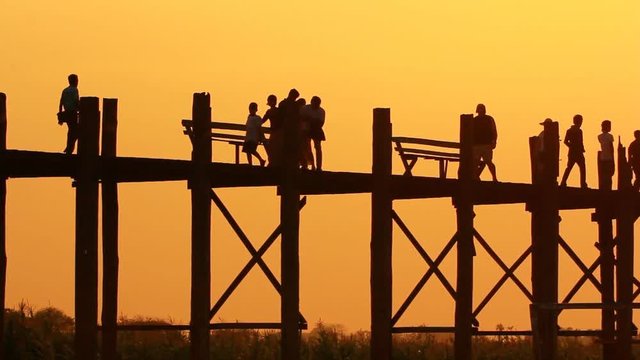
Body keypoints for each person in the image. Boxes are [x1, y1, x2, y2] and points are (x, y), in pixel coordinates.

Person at [560, 114, 587, 188]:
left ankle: (563, 182)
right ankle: (583, 184)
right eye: (580, 121)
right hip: (577, 152)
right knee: (582, 168)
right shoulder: (578, 131)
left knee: (569, 167)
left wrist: (571, 147)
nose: (581, 122)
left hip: (573, 152)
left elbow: (565, 141)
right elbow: (580, 141)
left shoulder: (570, 130)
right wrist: (575, 147)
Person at [472, 103, 498, 181]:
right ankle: (475, 177)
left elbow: (494, 131)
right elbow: (471, 133)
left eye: (482, 109)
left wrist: (494, 141)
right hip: (476, 145)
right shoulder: (474, 120)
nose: (480, 111)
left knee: (488, 162)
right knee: (475, 162)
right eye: (479, 109)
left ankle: (494, 177)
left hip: (487, 145)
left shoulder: (489, 119)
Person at [302, 96, 326, 171]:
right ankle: (311, 165)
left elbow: (321, 123)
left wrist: (310, 119)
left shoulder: (321, 111)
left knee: (318, 147)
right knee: (307, 147)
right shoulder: (305, 108)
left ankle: (319, 167)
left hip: (316, 129)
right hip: (306, 129)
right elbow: (301, 118)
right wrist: (312, 120)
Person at [58, 74, 79, 154]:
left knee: (71, 130)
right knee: (76, 131)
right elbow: (76, 102)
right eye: (77, 80)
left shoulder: (65, 90)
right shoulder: (75, 90)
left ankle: (69, 147)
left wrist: (60, 115)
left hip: (66, 113)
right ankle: (69, 148)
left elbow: (61, 103)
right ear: (75, 81)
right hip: (72, 113)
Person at [242, 102, 266, 166]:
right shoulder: (249, 117)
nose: (251, 110)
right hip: (248, 137)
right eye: (250, 109)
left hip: (254, 138)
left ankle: (261, 160)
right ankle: (250, 164)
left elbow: (259, 128)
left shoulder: (257, 118)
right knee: (247, 151)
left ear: (256, 110)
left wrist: (261, 138)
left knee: (252, 150)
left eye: (252, 109)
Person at [261, 94, 280, 165]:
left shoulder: (269, 111)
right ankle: (273, 162)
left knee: (272, 147)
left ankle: (272, 162)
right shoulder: (278, 110)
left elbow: (262, 121)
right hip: (278, 132)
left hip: (274, 132)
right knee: (275, 147)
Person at [597, 120, 615, 190]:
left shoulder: (599, 136)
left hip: (602, 158)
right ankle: (608, 189)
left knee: (603, 175)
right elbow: (611, 148)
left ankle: (603, 189)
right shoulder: (610, 136)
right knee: (609, 175)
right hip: (609, 158)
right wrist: (613, 159)